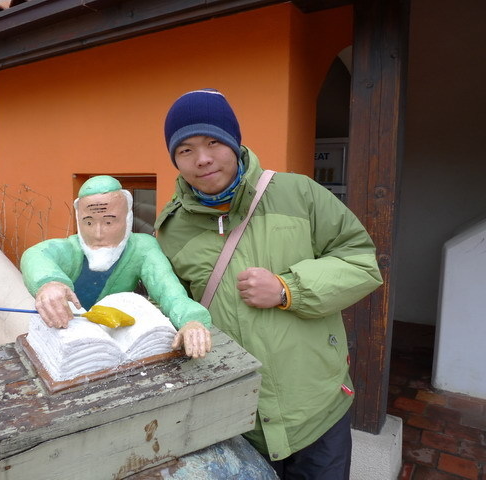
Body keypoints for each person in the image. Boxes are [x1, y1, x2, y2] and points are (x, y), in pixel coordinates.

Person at [154, 89, 383, 479]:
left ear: (235, 142)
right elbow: (171, 305)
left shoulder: (299, 193)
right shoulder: (171, 228)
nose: (202, 158)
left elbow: (362, 263)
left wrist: (286, 290)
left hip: (315, 410)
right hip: (235, 418)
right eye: (186, 149)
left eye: (213, 142)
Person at [20, 175, 212, 358]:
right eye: (88, 222)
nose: (98, 233)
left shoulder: (141, 248)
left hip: (115, 338)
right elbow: (36, 255)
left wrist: (191, 320)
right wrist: (49, 283)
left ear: (127, 217)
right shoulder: (71, 249)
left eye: (109, 221)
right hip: (67, 336)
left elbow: (168, 289)